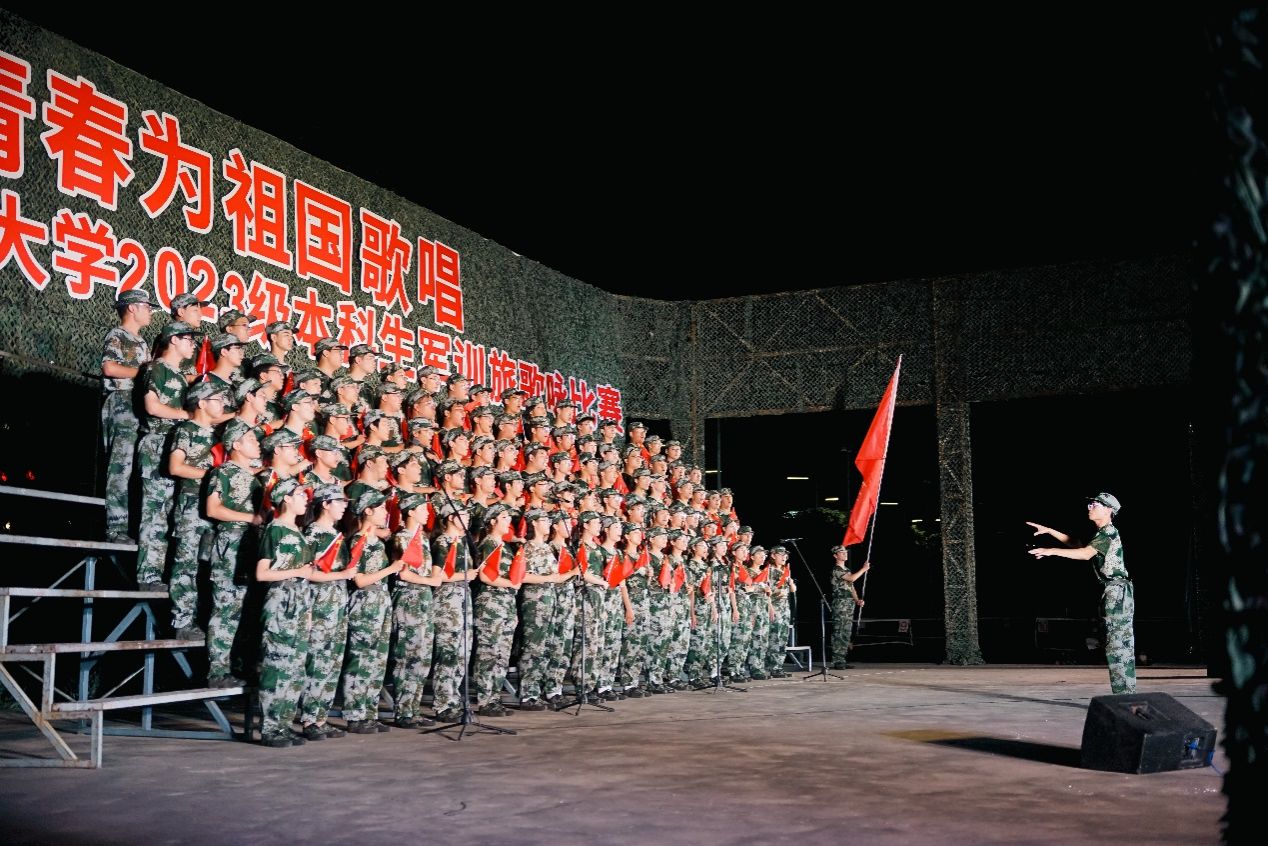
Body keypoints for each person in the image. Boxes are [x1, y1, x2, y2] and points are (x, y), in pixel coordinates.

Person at [1028, 492, 1136, 694]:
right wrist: (1050, 531)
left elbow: (1085, 554)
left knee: (1117, 644)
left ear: (1108, 510)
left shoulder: (1108, 532)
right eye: (1090, 504)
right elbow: (1077, 544)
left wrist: (1051, 551)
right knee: (1117, 642)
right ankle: (1125, 694)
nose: (1090, 507)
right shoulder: (1101, 533)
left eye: (1095, 505)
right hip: (1113, 590)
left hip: (1117, 590)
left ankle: (1124, 695)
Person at [254, 477, 316, 748]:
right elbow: (262, 573)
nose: (306, 500)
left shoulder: (298, 532)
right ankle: (270, 728)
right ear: (286, 499)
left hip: (300, 601)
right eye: (300, 495)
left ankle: (284, 724)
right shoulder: (275, 530)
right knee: (276, 665)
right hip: (281, 600)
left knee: (295, 668)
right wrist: (298, 571)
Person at [134, 321, 197, 588]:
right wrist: (185, 415)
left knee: (168, 514)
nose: (193, 345)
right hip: (157, 445)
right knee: (154, 513)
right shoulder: (156, 368)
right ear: (174, 340)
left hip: (173, 447)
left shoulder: (180, 375)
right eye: (188, 339)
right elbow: (152, 406)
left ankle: (158, 573)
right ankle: (147, 575)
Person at [340, 488, 402, 733]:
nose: (385, 512)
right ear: (367, 511)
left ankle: (369, 712)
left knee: (377, 660)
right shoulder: (358, 541)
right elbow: (360, 580)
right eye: (381, 508)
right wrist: (391, 569)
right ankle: (355, 714)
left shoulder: (378, 542)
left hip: (381, 601)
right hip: (365, 602)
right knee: (361, 658)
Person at [299, 484, 357, 740]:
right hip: (320, 605)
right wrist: (342, 575)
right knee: (317, 663)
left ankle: (321, 717)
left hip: (337, 605)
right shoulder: (314, 533)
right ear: (325, 504)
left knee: (332, 663)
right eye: (339, 502)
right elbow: (309, 573)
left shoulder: (336, 533)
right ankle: (309, 719)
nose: (344, 506)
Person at [100, 288, 154, 543]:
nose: (150, 312)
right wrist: (144, 374)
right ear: (132, 308)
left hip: (138, 405)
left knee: (135, 468)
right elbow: (109, 367)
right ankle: (115, 528)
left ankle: (131, 526)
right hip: (121, 402)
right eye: (147, 307)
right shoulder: (117, 334)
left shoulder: (142, 342)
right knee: (120, 466)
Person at [828, 545, 869, 670]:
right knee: (839, 631)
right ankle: (837, 660)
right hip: (840, 603)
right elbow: (851, 578)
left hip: (848, 603)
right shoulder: (836, 569)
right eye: (842, 552)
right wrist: (863, 569)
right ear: (835, 555)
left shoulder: (846, 569)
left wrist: (857, 600)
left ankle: (842, 659)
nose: (845, 554)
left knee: (846, 631)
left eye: (845, 552)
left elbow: (851, 587)